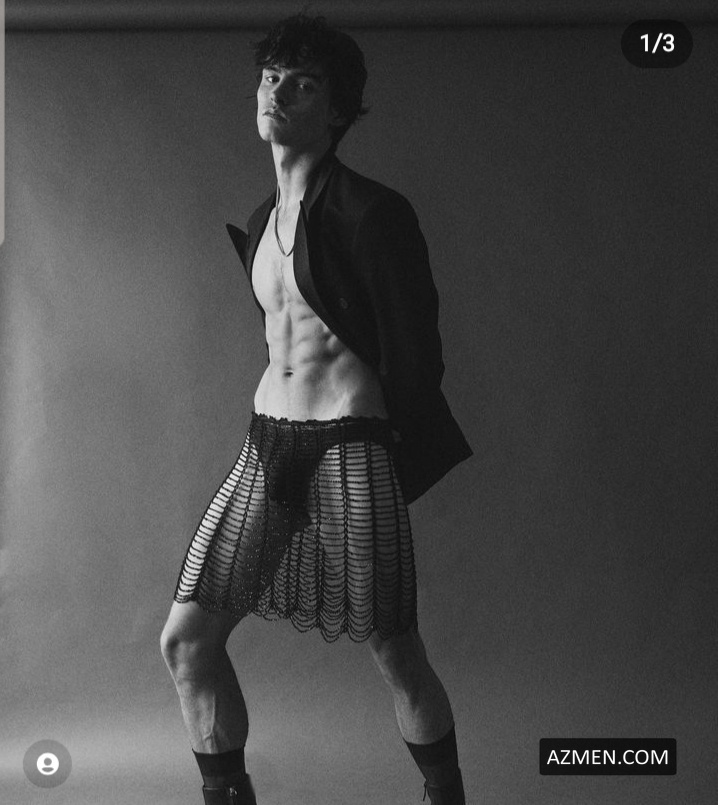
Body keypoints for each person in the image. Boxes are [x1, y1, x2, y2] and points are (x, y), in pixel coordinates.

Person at [160, 13, 472, 805]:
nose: (279, 93)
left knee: (395, 647)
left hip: (350, 444)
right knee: (187, 640)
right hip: (268, 443)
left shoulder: (374, 212)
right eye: (272, 77)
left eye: (304, 84)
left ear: (336, 111)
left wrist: (389, 459)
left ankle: (446, 794)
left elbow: (417, 355)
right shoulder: (260, 221)